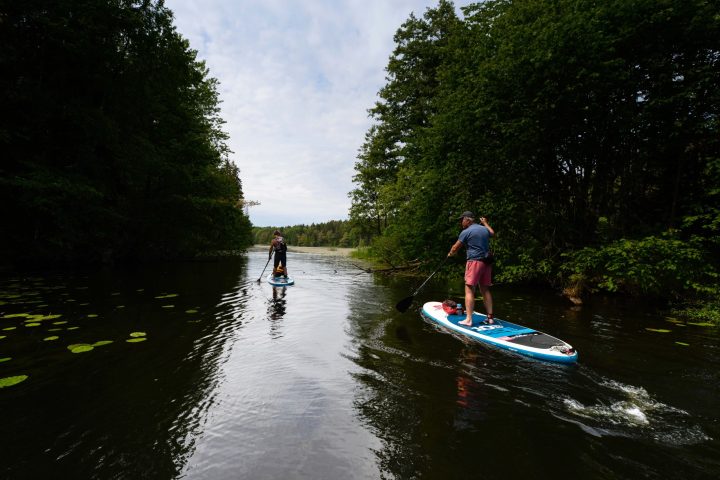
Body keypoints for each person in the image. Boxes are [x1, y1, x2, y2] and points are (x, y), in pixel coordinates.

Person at [447, 211, 495, 326]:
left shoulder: (466, 232)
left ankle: (468, 320)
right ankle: (490, 318)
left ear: (468, 220)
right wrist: (485, 223)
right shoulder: (484, 229)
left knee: (469, 289)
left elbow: (455, 247)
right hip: (487, 263)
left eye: (462, 219)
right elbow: (492, 233)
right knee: (485, 289)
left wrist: (450, 253)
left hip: (474, 262)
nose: (461, 222)